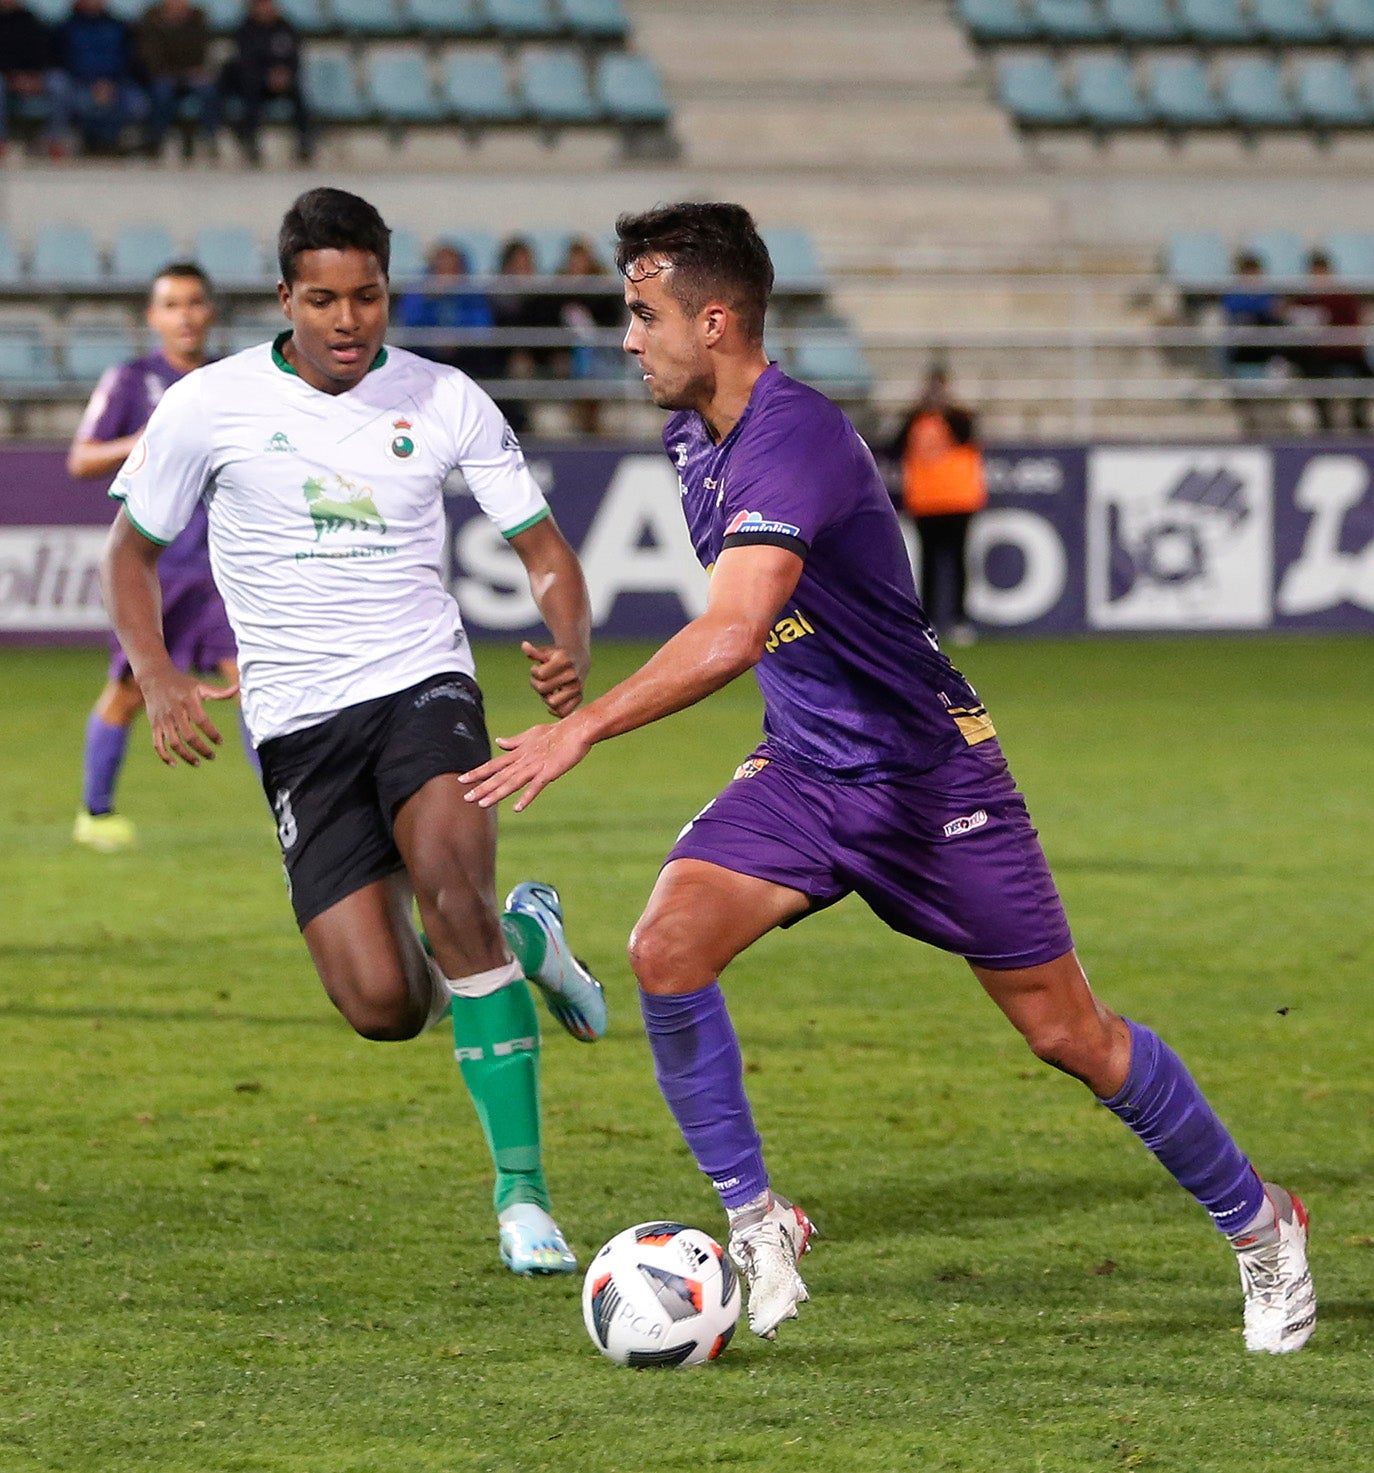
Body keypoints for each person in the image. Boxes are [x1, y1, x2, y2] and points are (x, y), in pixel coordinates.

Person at [459, 201, 1317, 1352]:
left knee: (1071, 1034)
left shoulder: (793, 437)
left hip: (928, 785)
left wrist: (586, 727)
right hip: (806, 770)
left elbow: (733, 630)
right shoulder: (691, 436)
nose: (627, 338)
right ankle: (757, 1224)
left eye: (642, 313)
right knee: (667, 947)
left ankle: (1262, 1226)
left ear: (714, 321)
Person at [100, 187, 606, 1276]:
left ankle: (523, 1197)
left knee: (451, 894)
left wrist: (569, 642)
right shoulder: (208, 405)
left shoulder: (447, 397)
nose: (346, 320)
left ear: (389, 292)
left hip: (424, 686)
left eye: (366, 296)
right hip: (296, 726)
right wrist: (158, 674)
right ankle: (532, 944)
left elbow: (548, 552)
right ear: (285, 297)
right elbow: (129, 556)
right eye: (322, 299)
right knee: (382, 1004)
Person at [70, 261, 252, 854]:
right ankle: (94, 813)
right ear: (153, 317)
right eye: (171, 304)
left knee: (255, 686)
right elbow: (83, 458)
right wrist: (153, 435)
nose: (185, 315)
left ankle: (295, 810)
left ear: (210, 312)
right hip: (159, 571)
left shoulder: (231, 381)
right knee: (127, 692)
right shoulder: (130, 381)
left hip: (224, 568)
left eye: (195, 302)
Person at [892, 367, 986, 645]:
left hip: (958, 499)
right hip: (926, 500)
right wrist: (917, 409)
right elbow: (896, 444)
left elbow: (966, 435)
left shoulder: (958, 417)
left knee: (957, 560)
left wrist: (947, 408)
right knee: (929, 563)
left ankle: (959, 618)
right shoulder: (915, 419)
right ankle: (930, 618)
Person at [1284, 249, 1373, 434]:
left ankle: (1357, 417)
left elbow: (1354, 326)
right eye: (1315, 273)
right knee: (1313, 375)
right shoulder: (1303, 298)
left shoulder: (1344, 296)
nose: (1319, 277)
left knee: (1368, 377)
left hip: (1347, 351)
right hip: (1319, 352)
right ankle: (1325, 421)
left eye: (1322, 272)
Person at [220, 0, 314, 166]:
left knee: (299, 95)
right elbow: (245, 62)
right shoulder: (245, 29)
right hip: (256, 82)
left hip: (283, 80)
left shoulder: (285, 27)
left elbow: (295, 57)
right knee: (251, 94)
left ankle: (305, 142)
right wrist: (266, 76)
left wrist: (286, 74)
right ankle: (250, 143)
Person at [393, 242, 501, 380]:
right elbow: (407, 321)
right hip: (425, 350)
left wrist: (459, 338)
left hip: (463, 351)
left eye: (452, 268)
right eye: (441, 268)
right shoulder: (418, 291)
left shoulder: (472, 294)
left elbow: (482, 326)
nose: (446, 275)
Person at [489, 236, 561, 433]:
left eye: (527, 264)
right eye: (518, 265)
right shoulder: (496, 302)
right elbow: (495, 343)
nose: (523, 270)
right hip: (504, 372)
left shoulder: (545, 301)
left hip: (543, 370)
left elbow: (552, 341)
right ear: (507, 267)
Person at [57, 0, 145, 157]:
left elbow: (130, 60)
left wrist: (111, 83)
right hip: (80, 83)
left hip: (117, 83)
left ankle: (115, 142)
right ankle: (91, 142)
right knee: (81, 102)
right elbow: (63, 61)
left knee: (137, 104)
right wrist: (92, 83)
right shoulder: (66, 27)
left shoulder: (120, 26)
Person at [555, 237, 623, 436]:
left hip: (603, 360)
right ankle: (580, 413)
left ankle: (592, 415)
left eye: (582, 261)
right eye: (574, 262)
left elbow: (612, 334)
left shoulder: (605, 297)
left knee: (596, 366)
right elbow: (547, 339)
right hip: (567, 368)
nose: (578, 267)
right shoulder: (553, 297)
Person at [135, 0, 219, 160]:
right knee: (161, 92)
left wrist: (199, 70)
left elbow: (204, 52)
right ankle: (155, 139)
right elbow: (150, 56)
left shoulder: (198, 19)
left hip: (193, 74)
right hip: (163, 74)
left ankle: (210, 139)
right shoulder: (152, 19)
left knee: (209, 91)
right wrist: (173, 71)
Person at [0, 0, 70, 160]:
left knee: (58, 82)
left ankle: (55, 141)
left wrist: (35, 77)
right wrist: (13, 77)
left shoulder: (31, 20)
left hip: (34, 77)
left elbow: (44, 53)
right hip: (6, 78)